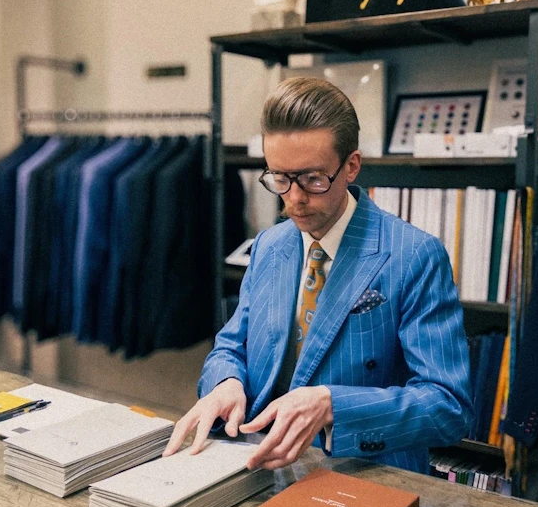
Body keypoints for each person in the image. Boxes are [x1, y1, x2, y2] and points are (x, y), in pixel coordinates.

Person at [164, 77, 472, 475]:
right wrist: (226, 383)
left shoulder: (415, 255)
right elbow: (230, 347)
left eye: (312, 179)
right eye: (279, 178)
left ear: (351, 167)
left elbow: (448, 405)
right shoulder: (268, 246)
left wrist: (333, 405)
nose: (294, 198)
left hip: (366, 476)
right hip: (258, 467)